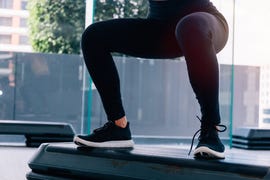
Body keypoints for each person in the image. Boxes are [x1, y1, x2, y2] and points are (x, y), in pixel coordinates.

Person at [74, 0, 229, 159]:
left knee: (189, 26)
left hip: (204, 25)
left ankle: (211, 129)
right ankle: (118, 126)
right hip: (161, 29)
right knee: (93, 36)